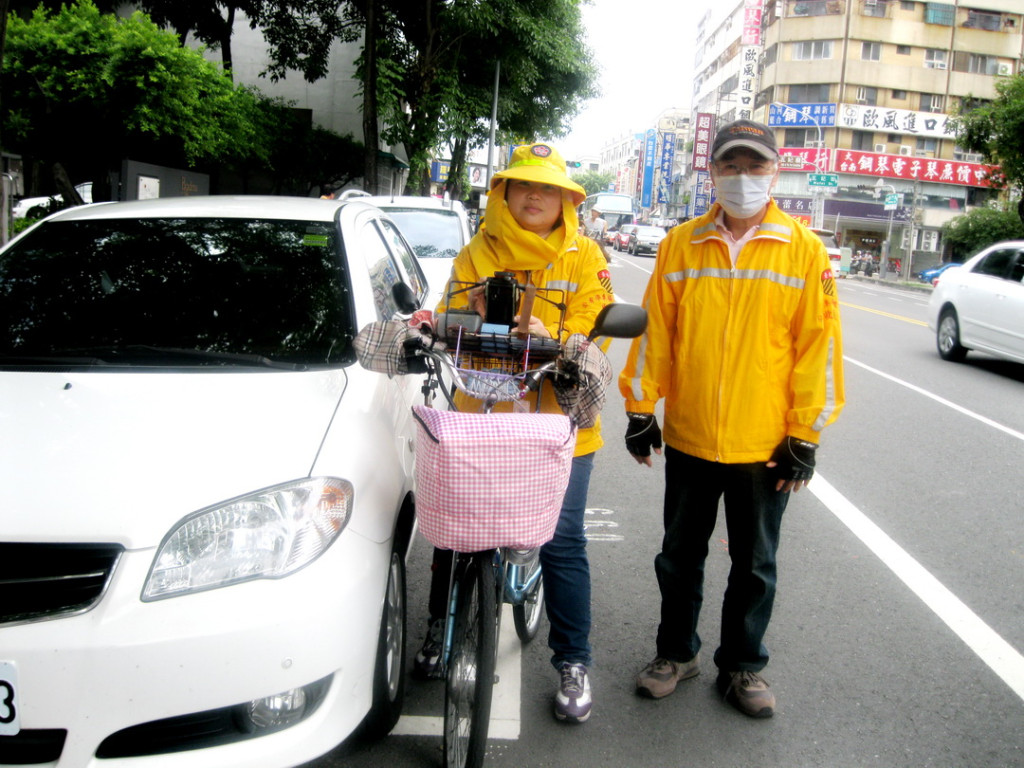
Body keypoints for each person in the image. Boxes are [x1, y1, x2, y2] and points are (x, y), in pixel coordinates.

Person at [619, 119, 845, 718]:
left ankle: (743, 665)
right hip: (691, 434)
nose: (742, 177)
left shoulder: (804, 250)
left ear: (775, 171)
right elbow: (654, 337)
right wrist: (641, 409)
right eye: (730, 165)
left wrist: (805, 433)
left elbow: (817, 349)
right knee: (678, 556)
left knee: (755, 564)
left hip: (764, 444)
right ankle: (676, 653)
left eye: (754, 165)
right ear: (711, 171)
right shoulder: (680, 244)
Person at [414, 142, 616, 724]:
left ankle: (573, 661)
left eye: (548, 189)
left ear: (566, 201)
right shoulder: (478, 252)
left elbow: (595, 325)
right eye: (523, 186)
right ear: (503, 193)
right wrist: (460, 316)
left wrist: (540, 324)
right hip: (483, 419)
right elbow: (447, 314)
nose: (534, 197)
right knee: (456, 531)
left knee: (563, 540)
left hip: (559, 424)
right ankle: (438, 629)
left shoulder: (584, 255)